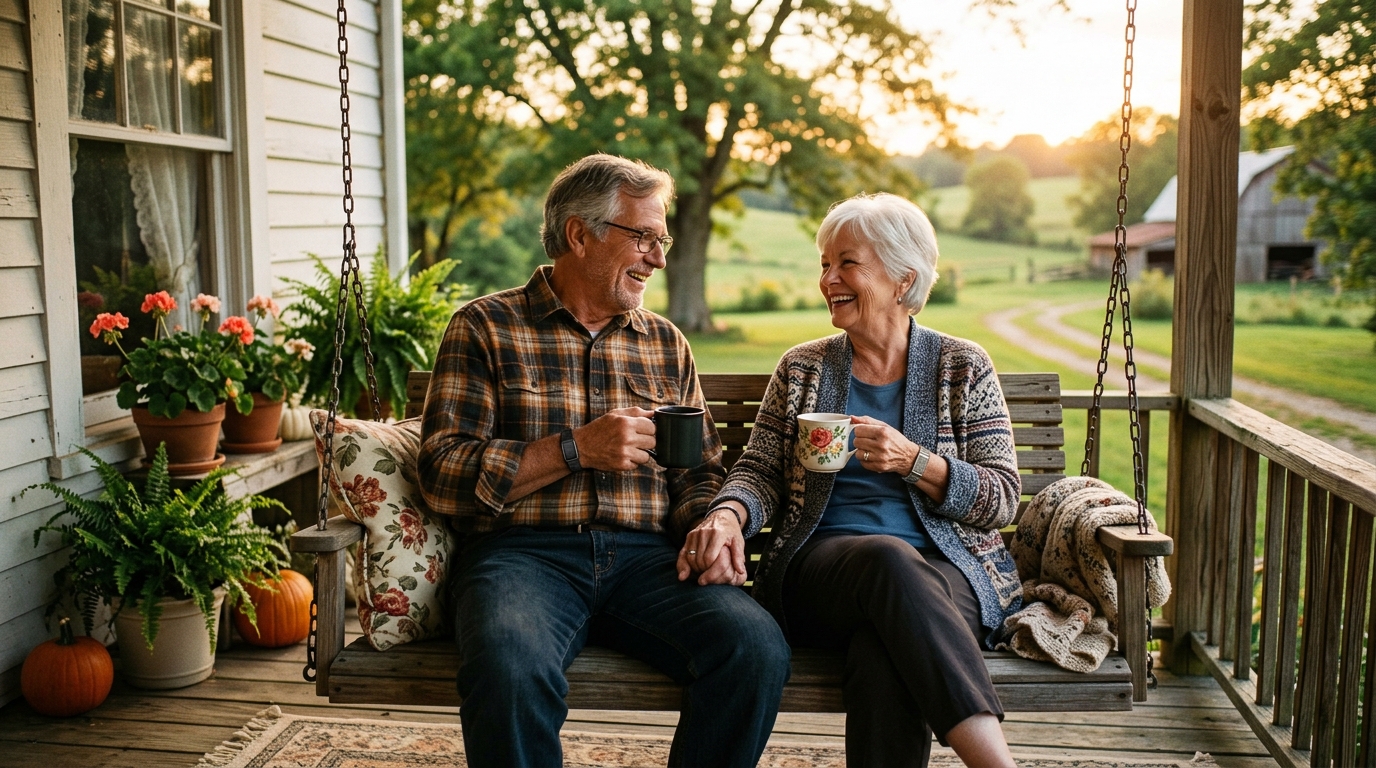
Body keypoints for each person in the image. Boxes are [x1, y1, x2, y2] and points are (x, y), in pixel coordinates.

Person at [418, 153, 791, 768]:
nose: (659, 258)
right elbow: (442, 471)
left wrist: (708, 525)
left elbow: (698, 471)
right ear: (579, 234)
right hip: (523, 557)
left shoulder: (665, 343)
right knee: (508, 665)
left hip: (649, 562)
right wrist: (575, 449)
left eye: (662, 239)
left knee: (754, 648)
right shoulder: (485, 327)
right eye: (642, 237)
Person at [704, 193, 1022, 768]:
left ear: (904, 279)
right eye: (825, 264)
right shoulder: (802, 368)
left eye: (847, 263)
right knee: (889, 559)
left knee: (886, 651)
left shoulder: (963, 366)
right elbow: (758, 472)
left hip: (945, 573)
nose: (828, 279)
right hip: (820, 569)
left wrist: (915, 461)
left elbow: (1000, 499)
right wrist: (729, 512)